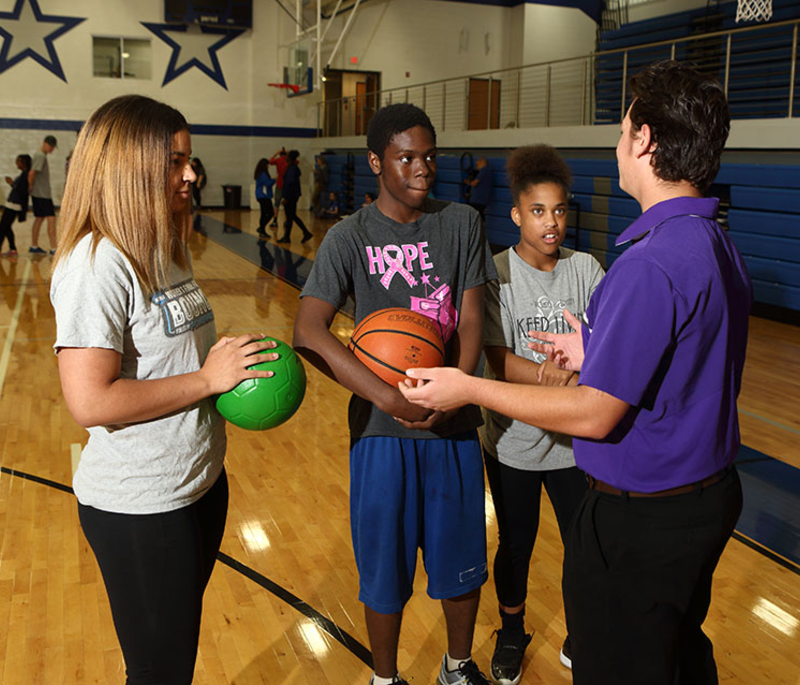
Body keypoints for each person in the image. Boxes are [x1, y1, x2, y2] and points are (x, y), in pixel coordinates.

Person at [400, 60, 751, 685]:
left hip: (644, 518)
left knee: (620, 667)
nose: (618, 145)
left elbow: (595, 413)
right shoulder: (713, 239)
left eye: (622, 131)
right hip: (708, 497)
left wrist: (469, 386)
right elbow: (690, 350)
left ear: (644, 139)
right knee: (677, 653)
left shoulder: (647, 264)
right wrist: (599, 346)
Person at [50, 94, 277, 685]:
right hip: (141, 506)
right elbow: (91, 401)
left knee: (171, 661)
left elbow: (168, 356)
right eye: (176, 160)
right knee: (160, 672)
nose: (192, 174)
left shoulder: (161, 246)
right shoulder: (96, 261)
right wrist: (208, 378)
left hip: (197, 485)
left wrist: (227, 361)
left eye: (190, 159)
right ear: (130, 165)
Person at [291, 103, 496, 685]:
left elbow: (473, 319)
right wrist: (387, 397)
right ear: (377, 161)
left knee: (462, 563)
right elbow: (308, 331)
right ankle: (385, 679)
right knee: (384, 567)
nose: (422, 168)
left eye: (429, 156)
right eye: (406, 157)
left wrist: (452, 392)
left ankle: (457, 668)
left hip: (453, 425)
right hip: (380, 435)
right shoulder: (349, 237)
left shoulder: (462, 223)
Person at [480, 144, 605, 684]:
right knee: (516, 543)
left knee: (585, 544)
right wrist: (551, 376)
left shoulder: (587, 269)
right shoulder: (498, 274)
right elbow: (495, 356)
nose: (551, 223)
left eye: (559, 210)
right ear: (516, 215)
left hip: (574, 442)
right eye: (538, 211)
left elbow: (609, 343)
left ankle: (582, 629)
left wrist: (577, 373)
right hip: (513, 442)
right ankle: (512, 630)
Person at [0, 154, 31, 257]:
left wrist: (11, 183)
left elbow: (22, 191)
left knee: (3, 227)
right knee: (6, 227)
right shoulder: (23, 174)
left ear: (24, 163)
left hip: (14, 205)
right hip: (12, 204)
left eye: (19, 161)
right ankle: (12, 249)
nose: (17, 163)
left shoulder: (26, 175)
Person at [28, 134, 59, 255]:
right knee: (51, 218)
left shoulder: (39, 155)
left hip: (39, 193)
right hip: (42, 194)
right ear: (45, 143)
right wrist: (30, 187)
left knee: (39, 219)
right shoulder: (40, 156)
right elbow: (32, 173)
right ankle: (54, 248)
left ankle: (34, 246)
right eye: (51, 146)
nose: (52, 149)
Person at [278, 149, 312, 244]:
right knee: (291, 216)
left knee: (291, 216)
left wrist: (286, 197)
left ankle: (304, 233)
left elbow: (290, 183)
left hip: (291, 196)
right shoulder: (293, 168)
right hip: (293, 196)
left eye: (287, 156)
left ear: (290, 158)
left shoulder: (292, 169)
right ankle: (288, 236)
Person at [254, 158, 275, 238]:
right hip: (264, 196)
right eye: (267, 165)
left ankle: (262, 229)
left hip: (260, 195)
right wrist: (274, 179)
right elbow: (268, 183)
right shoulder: (263, 174)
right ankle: (262, 228)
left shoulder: (259, 173)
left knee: (264, 214)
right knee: (269, 213)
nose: (268, 167)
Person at [269, 148, 288, 228]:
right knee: (286, 204)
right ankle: (286, 221)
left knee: (276, 203)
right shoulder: (288, 160)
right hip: (287, 184)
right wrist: (289, 152)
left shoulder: (278, 160)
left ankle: (275, 220)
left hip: (279, 183)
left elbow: (270, 161)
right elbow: (296, 161)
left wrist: (275, 153)